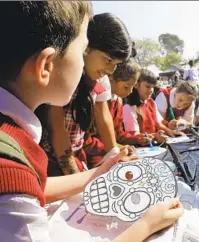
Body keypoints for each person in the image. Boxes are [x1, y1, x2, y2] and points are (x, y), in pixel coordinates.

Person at [0, 2, 183, 242]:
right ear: (46, 65)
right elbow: (16, 186)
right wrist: (146, 225)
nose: (106, 72)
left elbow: (35, 186)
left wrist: (102, 170)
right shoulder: (3, 174)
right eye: (82, 47)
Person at [38, 13, 136, 176]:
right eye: (107, 60)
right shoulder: (65, 73)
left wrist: (114, 154)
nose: (111, 70)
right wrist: (74, 177)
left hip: (75, 154)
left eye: (117, 64)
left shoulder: (101, 79)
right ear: (86, 47)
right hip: (50, 158)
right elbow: (57, 130)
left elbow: (104, 118)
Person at [83, 59, 151, 167]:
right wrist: (116, 148)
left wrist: (138, 139)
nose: (130, 91)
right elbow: (87, 139)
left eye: (133, 87)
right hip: (93, 160)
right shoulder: (96, 102)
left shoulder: (118, 101)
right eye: (126, 86)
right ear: (111, 80)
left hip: (112, 155)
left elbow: (118, 134)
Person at [123, 69, 184, 143]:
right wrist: (154, 136)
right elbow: (134, 135)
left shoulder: (151, 102)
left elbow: (158, 123)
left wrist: (169, 129)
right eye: (148, 86)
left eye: (153, 87)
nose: (151, 90)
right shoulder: (129, 107)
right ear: (136, 85)